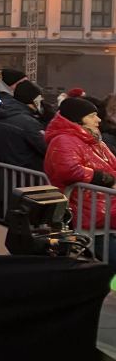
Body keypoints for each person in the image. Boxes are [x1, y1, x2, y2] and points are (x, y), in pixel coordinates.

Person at [44, 97, 116, 254]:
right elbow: (68, 170)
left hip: (102, 205)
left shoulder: (94, 140)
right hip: (88, 209)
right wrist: (104, 178)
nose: (98, 119)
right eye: (91, 116)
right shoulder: (63, 140)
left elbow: (113, 164)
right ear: (77, 119)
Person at [0, 80, 47, 172]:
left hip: (1, 175)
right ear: (35, 100)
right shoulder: (28, 122)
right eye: (40, 100)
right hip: (26, 176)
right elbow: (46, 149)